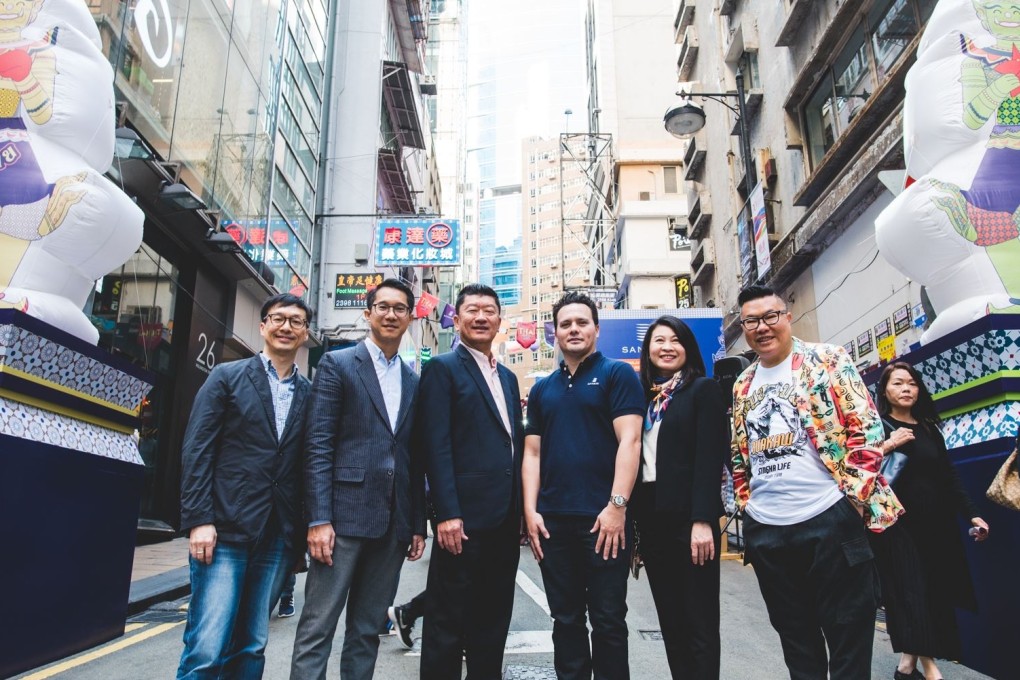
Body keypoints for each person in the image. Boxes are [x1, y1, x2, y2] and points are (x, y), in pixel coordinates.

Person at [730, 285, 903, 680]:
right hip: (768, 528)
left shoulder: (827, 359)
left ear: (787, 316)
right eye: (752, 321)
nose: (763, 327)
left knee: (848, 636)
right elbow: (740, 454)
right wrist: (747, 504)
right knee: (796, 639)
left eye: (771, 316)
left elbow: (866, 427)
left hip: (830, 518)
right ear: (744, 328)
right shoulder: (743, 384)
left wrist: (852, 501)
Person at [289, 278, 427, 680]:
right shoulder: (337, 364)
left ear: (409, 317)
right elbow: (317, 445)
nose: (390, 314)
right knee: (318, 628)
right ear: (367, 314)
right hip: (341, 521)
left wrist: (417, 523)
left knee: (367, 630)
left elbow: (413, 458)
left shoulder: (415, 381)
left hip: (393, 525)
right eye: (382, 307)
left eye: (399, 308)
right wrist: (317, 519)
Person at [177, 293, 313, 679]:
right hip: (225, 530)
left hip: (276, 536)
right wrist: (199, 519)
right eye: (279, 318)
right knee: (207, 645)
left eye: (296, 321)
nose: (287, 327)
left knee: (252, 645)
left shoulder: (310, 393)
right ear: (263, 325)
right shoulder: (227, 376)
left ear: (305, 333)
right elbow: (197, 450)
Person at [523, 291, 645, 680]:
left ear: (596, 328)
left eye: (581, 322)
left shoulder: (617, 374)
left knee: (608, 620)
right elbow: (532, 455)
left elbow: (631, 441)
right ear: (554, 333)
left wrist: (617, 507)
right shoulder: (543, 389)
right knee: (566, 619)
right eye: (565, 324)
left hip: (604, 521)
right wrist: (530, 511)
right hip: (553, 524)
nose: (573, 329)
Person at [417, 283, 524, 679]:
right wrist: (446, 513)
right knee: (447, 623)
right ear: (456, 318)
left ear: (500, 320)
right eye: (472, 310)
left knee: (493, 620)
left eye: (489, 311)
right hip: (460, 522)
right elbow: (436, 446)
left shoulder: (509, 378)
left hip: (503, 520)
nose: (481, 317)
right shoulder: (442, 368)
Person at [873, 362, 989, 680]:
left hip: (936, 526)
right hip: (897, 527)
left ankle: (907, 665)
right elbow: (858, 467)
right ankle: (931, 668)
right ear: (885, 390)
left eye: (912, 383)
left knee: (934, 592)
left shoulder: (928, 429)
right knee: (912, 591)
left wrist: (972, 513)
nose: (907, 388)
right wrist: (888, 445)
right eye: (898, 383)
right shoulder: (878, 427)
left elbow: (948, 476)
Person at [633, 316, 727, 679]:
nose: (667, 347)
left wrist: (703, 520)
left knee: (699, 621)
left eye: (675, 340)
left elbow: (709, 458)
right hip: (652, 519)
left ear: (687, 348)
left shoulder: (702, 390)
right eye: (659, 340)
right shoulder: (643, 399)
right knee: (671, 621)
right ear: (648, 349)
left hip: (690, 519)